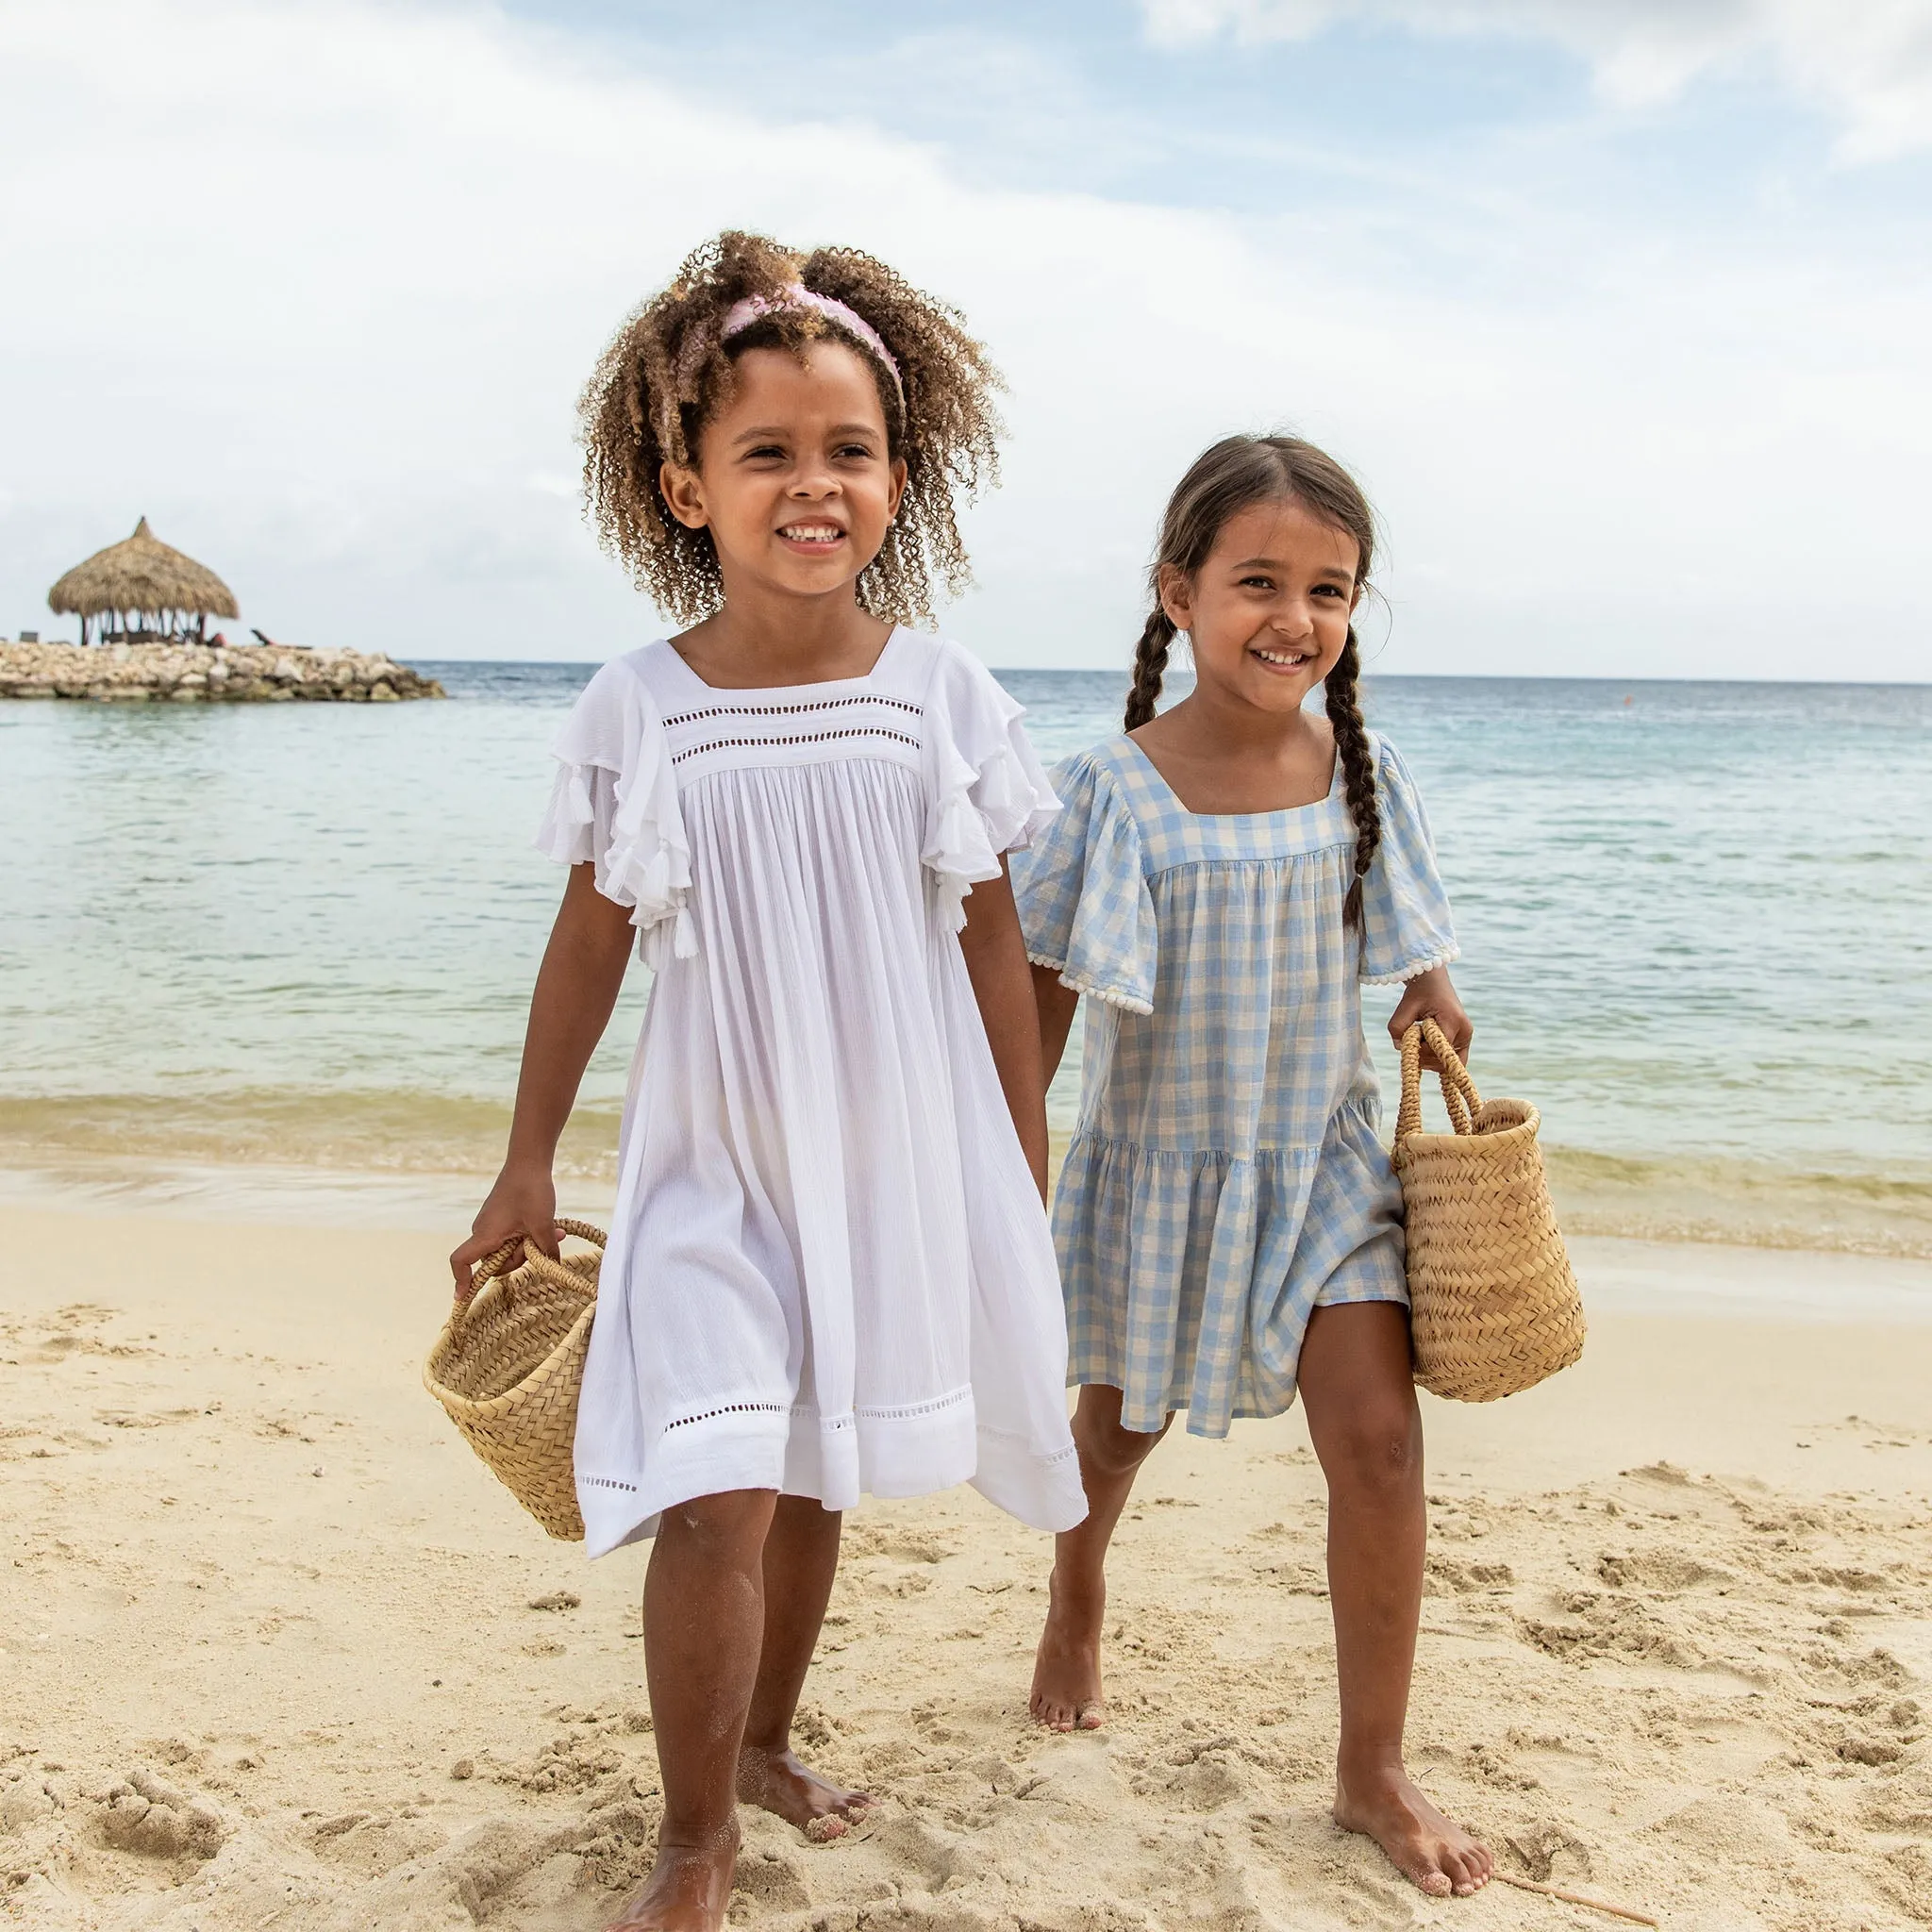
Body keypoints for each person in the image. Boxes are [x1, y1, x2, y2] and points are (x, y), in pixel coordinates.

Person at [451, 231, 1086, 1932]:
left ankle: (764, 1744)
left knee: (814, 1479)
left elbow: (991, 948)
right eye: (769, 452)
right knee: (714, 1486)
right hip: (709, 1160)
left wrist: (1017, 1163)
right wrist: (526, 1157)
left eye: (851, 450)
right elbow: (587, 945)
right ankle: (692, 1838)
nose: (816, 484)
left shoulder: (938, 695)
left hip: (887, 1156)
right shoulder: (638, 704)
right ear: (685, 484)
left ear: (900, 476)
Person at [1011, 433, 1494, 1900]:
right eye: (1259, 582)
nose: (1295, 618)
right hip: (1165, 1171)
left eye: (1329, 589)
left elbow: (1415, 953)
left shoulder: (1363, 769)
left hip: (1328, 1170)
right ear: (1178, 593)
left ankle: (1370, 1771)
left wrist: (1427, 992)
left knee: (1382, 1446)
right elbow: (1039, 1012)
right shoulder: (1111, 793)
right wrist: (996, 1174)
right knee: (1111, 1441)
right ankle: (1078, 1586)